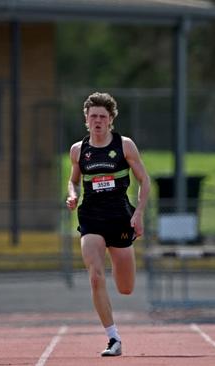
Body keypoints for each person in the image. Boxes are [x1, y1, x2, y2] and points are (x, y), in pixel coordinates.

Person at [66, 92, 150, 357]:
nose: (98, 121)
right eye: (93, 117)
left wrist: (138, 215)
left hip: (120, 216)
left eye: (103, 117)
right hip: (91, 217)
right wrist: (72, 194)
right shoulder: (79, 150)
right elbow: (74, 180)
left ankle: (122, 256)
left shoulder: (125, 146)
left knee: (126, 288)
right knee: (95, 275)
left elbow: (144, 181)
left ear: (111, 119)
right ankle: (113, 337)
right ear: (86, 120)